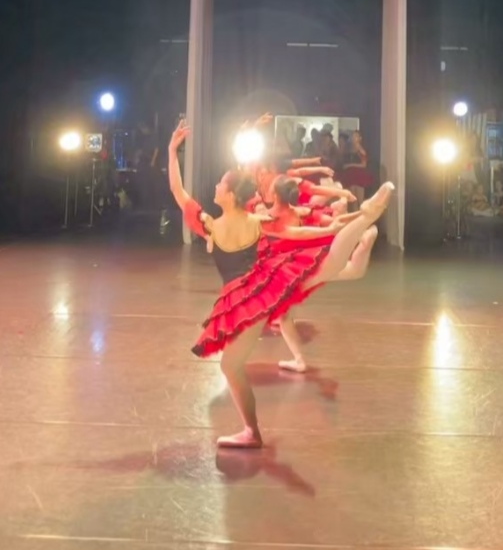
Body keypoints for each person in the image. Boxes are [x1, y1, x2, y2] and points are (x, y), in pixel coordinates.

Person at [167, 120, 394, 449]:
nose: (215, 186)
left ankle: (251, 432)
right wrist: (340, 223)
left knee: (231, 366)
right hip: (270, 284)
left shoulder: (211, 226)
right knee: (329, 266)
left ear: (228, 195)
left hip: (243, 301)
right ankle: (365, 218)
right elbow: (294, 227)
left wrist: (173, 151)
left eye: (220, 184)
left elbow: (179, 192)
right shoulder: (257, 220)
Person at [261, 175, 376, 373]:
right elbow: (332, 221)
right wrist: (359, 216)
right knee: (353, 271)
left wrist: (338, 225)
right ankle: (364, 240)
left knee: (283, 316)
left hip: (287, 272)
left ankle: (299, 360)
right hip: (306, 264)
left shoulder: (268, 217)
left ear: (275, 195)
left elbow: (296, 233)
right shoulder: (299, 212)